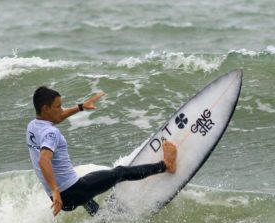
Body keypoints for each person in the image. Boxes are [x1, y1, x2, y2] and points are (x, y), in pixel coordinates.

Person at [27, 86, 177, 216]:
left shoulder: (33, 126)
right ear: (46, 109)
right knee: (120, 172)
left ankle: (102, 219)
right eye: (58, 106)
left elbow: (58, 117)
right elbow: (43, 160)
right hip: (69, 192)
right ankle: (166, 165)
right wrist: (55, 189)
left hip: (61, 199)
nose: (62, 110)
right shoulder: (51, 134)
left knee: (86, 192)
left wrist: (81, 107)